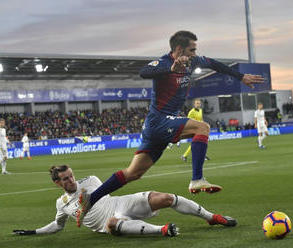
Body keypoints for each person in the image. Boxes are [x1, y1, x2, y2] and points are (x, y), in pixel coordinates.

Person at [76, 30, 264, 225]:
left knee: (133, 173)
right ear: (179, 49)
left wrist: (241, 77)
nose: (195, 53)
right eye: (192, 49)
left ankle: (92, 198)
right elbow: (144, 72)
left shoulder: (193, 61)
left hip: (158, 125)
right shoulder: (163, 63)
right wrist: (171, 69)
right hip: (159, 121)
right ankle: (197, 179)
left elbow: (215, 64)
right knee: (203, 128)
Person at [13, 165, 237, 237]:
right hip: (109, 222)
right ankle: (162, 230)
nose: (71, 180)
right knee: (111, 224)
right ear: (57, 183)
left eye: (71, 175)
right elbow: (58, 225)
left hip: (120, 203)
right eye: (65, 179)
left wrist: (85, 202)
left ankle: (212, 217)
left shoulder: (90, 180)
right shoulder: (61, 203)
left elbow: (102, 192)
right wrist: (34, 232)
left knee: (166, 198)